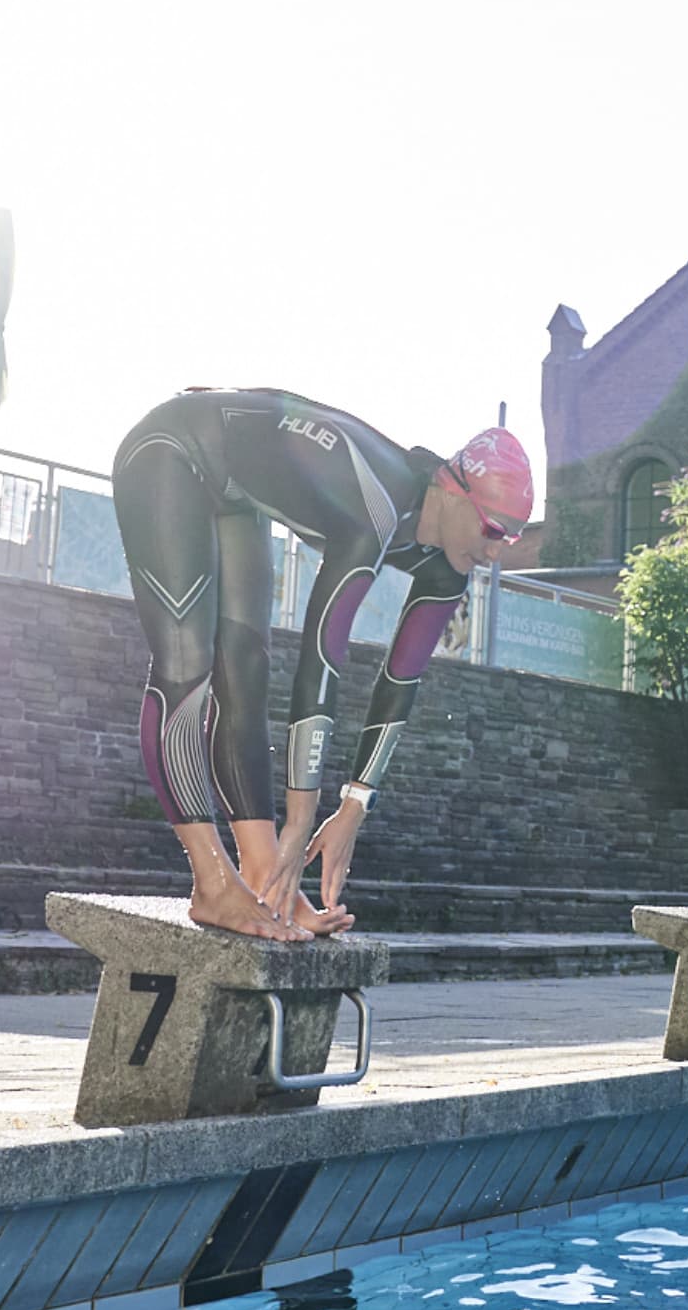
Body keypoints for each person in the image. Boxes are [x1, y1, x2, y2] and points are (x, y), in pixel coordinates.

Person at [112, 388, 532, 941]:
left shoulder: (448, 565)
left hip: (235, 491)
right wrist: (302, 817)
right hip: (170, 449)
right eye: (493, 530)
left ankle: (266, 877)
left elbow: (400, 681)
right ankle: (211, 882)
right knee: (187, 661)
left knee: (246, 668)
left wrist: (354, 805)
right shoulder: (376, 510)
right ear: (452, 492)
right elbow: (323, 653)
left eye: (514, 536)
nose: (497, 552)